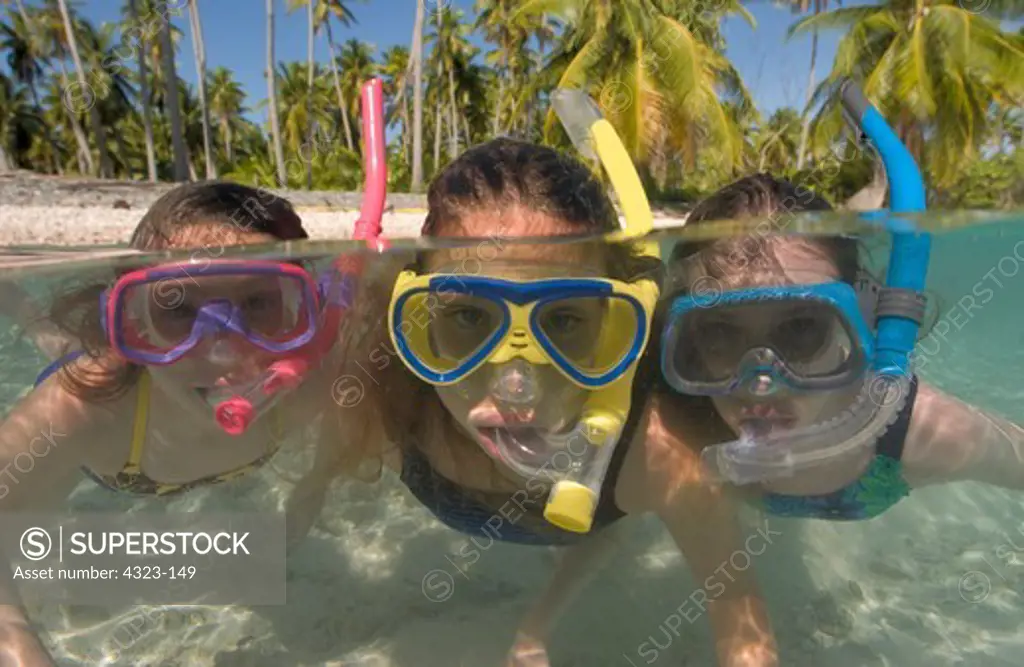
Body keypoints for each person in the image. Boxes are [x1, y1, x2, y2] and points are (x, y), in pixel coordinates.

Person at [309, 137, 780, 667]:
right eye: (468, 317)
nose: (517, 385)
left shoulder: (660, 456)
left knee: (597, 529)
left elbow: (735, 605)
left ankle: (536, 624)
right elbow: (311, 487)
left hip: (601, 513)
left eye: (562, 320)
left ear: (613, 328)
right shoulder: (382, 399)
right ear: (418, 320)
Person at [0, 181, 351, 666]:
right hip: (113, 381)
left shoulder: (313, 386)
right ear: (133, 325)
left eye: (260, 304)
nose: (227, 350)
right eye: (177, 309)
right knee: (58, 343)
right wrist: (19, 643)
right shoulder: (78, 410)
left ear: (305, 311)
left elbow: (342, 446)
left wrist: (308, 495)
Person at [660, 172, 1024, 516]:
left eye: (801, 329)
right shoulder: (677, 425)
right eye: (720, 335)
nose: (761, 383)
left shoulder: (921, 433)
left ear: (860, 319)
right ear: (688, 339)